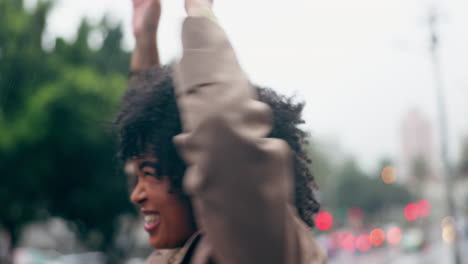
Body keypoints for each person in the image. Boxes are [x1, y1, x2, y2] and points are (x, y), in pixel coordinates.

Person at [114, 0, 327, 263]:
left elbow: (221, 131)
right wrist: (145, 38)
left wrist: (200, 13)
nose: (136, 194)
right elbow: (152, 141)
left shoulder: (258, 244)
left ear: (193, 170)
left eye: (147, 174)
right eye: (137, 178)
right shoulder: (179, 253)